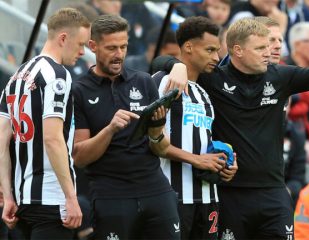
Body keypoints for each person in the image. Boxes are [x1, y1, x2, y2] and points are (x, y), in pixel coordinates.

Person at [152, 18, 309, 239]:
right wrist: (176, 65)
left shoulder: (280, 77)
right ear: (237, 51)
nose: (268, 53)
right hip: (229, 193)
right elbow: (161, 62)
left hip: (273, 192)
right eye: (260, 48)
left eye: (269, 46)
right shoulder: (213, 79)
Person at [72, 14, 201, 239]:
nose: (119, 54)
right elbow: (80, 156)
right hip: (111, 194)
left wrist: (155, 129)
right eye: (111, 47)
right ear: (93, 46)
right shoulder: (79, 91)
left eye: (123, 46)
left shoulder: (143, 81)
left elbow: (159, 146)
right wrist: (110, 129)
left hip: (156, 189)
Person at [0, 8, 90, 239]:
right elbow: (52, 138)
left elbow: (1, 142)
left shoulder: (16, 77)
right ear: (63, 38)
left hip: (21, 200)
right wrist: (71, 197)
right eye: (80, 44)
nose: (82, 51)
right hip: (51, 200)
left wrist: (8, 196)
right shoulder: (57, 75)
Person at [153, 16, 238, 240]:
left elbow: (203, 141)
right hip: (172, 196)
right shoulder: (163, 82)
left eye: (217, 50)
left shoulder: (203, 94)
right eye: (210, 50)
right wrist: (197, 160)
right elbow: (151, 140)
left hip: (209, 198)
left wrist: (226, 162)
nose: (216, 57)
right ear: (188, 47)